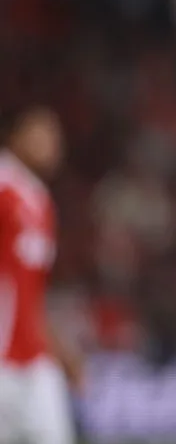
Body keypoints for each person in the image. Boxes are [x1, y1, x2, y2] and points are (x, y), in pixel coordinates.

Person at [0, 106, 81, 444]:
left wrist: (59, 348)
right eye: (41, 133)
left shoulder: (39, 199)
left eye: (54, 136)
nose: (51, 144)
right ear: (15, 135)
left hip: (33, 359)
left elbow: (31, 291)